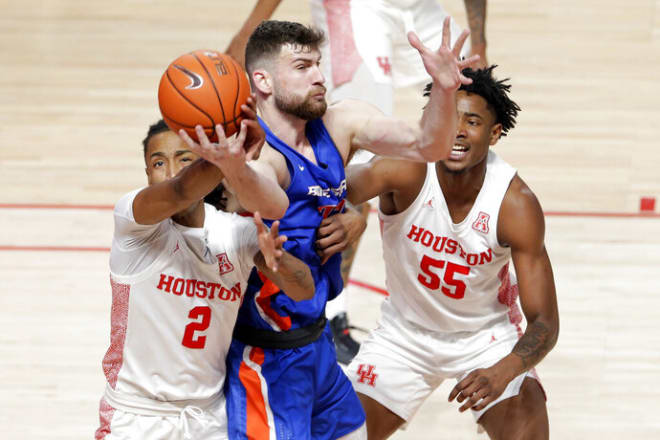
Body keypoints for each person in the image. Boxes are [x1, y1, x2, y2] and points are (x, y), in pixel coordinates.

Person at [222, 17, 479, 440]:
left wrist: (446, 92)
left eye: (319, 64)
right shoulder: (256, 151)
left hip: (315, 343)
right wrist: (234, 170)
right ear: (263, 81)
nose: (321, 77)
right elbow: (271, 198)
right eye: (303, 67)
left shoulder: (342, 123)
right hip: (265, 357)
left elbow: (427, 145)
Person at [329, 66, 559, 439]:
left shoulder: (515, 204)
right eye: (449, 118)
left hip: (485, 339)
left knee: (530, 427)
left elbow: (545, 323)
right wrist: (352, 212)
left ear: (495, 133)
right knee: (335, 433)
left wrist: (504, 369)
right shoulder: (405, 168)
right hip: (402, 337)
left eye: (472, 121)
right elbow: (330, 190)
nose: (458, 130)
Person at [95, 102, 317, 439]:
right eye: (158, 163)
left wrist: (279, 262)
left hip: (209, 417)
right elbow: (180, 189)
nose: (170, 171)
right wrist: (233, 150)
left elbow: (304, 290)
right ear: (147, 176)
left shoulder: (235, 234)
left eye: (184, 159)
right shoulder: (133, 224)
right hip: (136, 416)